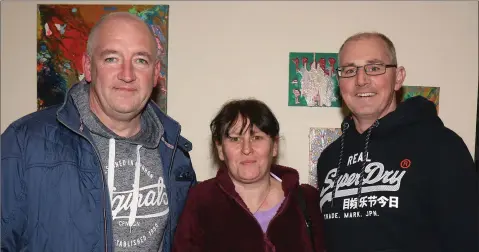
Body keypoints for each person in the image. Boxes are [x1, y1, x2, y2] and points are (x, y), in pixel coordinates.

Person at [1, 12, 197, 252]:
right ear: (88, 67)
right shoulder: (23, 143)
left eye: (140, 61)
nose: (127, 75)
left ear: (156, 73)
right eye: (112, 58)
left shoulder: (175, 153)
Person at [316, 31, 478, 252]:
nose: (361, 80)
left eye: (374, 68)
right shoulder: (329, 158)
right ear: (339, 81)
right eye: (350, 70)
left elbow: (467, 239)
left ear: (398, 77)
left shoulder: (441, 146)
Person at [172, 99, 325, 252]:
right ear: (220, 149)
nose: (247, 149)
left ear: (274, 146)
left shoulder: (307, 200)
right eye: (235, 139)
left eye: (256, 138)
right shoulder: (201, 201)